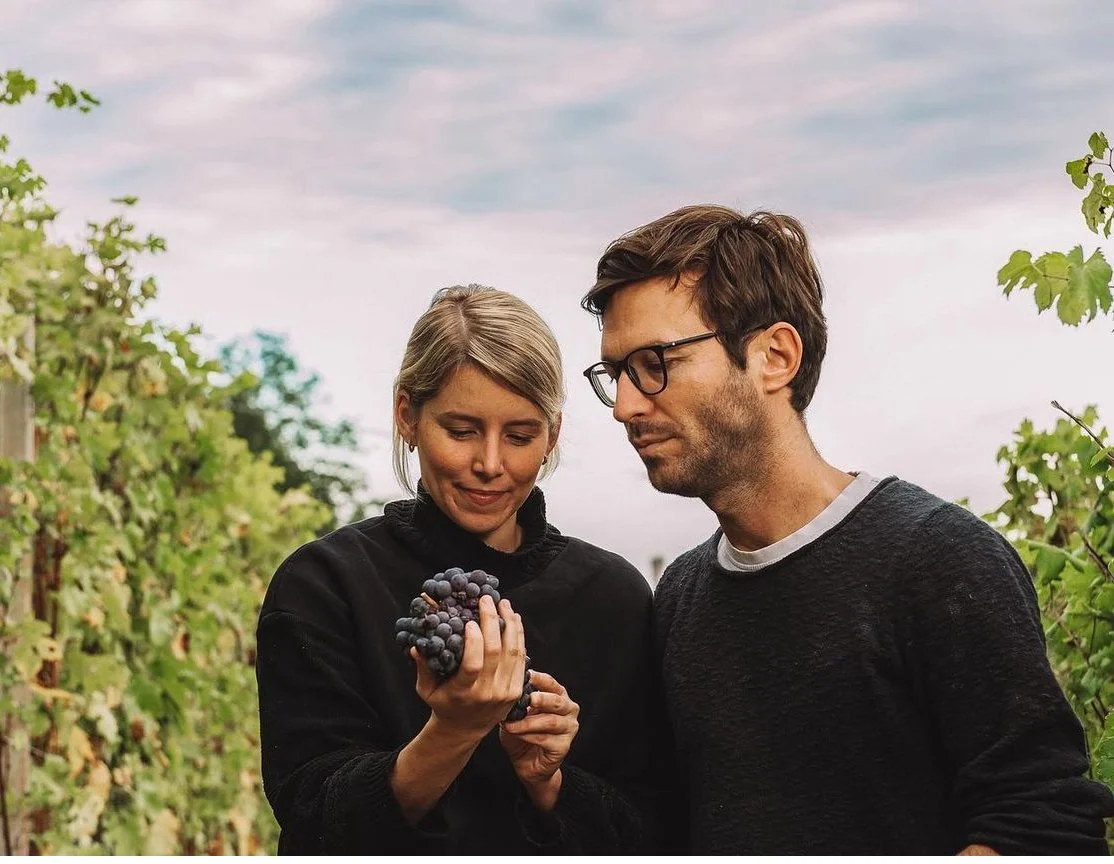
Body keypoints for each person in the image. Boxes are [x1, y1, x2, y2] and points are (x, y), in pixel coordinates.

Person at [579, 205, 1114, 855]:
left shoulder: (938, 560)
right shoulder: (681, 596)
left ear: (774, 356)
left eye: (655, 362)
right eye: (616, 374)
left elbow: (1044, 822)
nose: (628, 405)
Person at [255, 284, 675, 855]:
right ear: (407, 415)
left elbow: (652, 832)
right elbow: (315, 821)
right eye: (461, 431)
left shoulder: (614, 598)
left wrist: (550, 781)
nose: (490, 465)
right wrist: (452, 732)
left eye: (522, 436)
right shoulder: (323, 586)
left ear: (552, 433)